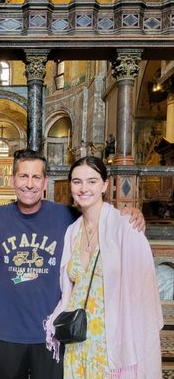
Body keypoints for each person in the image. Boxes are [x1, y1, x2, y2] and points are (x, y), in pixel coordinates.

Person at [0, 149, 146, 379]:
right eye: (23, 176)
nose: (29, 184)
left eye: (36, 177)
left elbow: (97, 211)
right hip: (6, 333)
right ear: (12, 179)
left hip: (53, 334)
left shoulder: (66, 215)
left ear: (45, 182)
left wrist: (129, 212)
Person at [45, 156, 163, 378]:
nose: (84, 188)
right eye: (77, 182)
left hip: (112, 340)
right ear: (70, 185)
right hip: (77, 337)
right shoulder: (72, 231)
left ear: (105, 185)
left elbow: (145, 294)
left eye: (92, 181)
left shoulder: (125, 227)